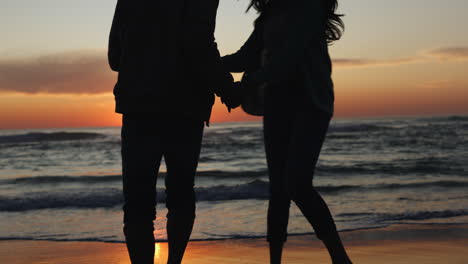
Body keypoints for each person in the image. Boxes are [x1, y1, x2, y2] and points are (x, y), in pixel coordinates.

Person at [108, 0, 240, 263]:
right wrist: (227, 87)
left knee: (137, 202)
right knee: (180, 194)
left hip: (138, 105)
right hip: (185, 107)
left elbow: (114, 57)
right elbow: (199, 44)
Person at [222, 0, 353, 263]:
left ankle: (340, 258)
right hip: (277, 103)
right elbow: (246, 57)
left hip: (310, 103)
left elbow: (286, 61)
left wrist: (246, 84)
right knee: (279, 189)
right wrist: (208, 64)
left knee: (297, 184)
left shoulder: (309, 8)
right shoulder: (271, 12)